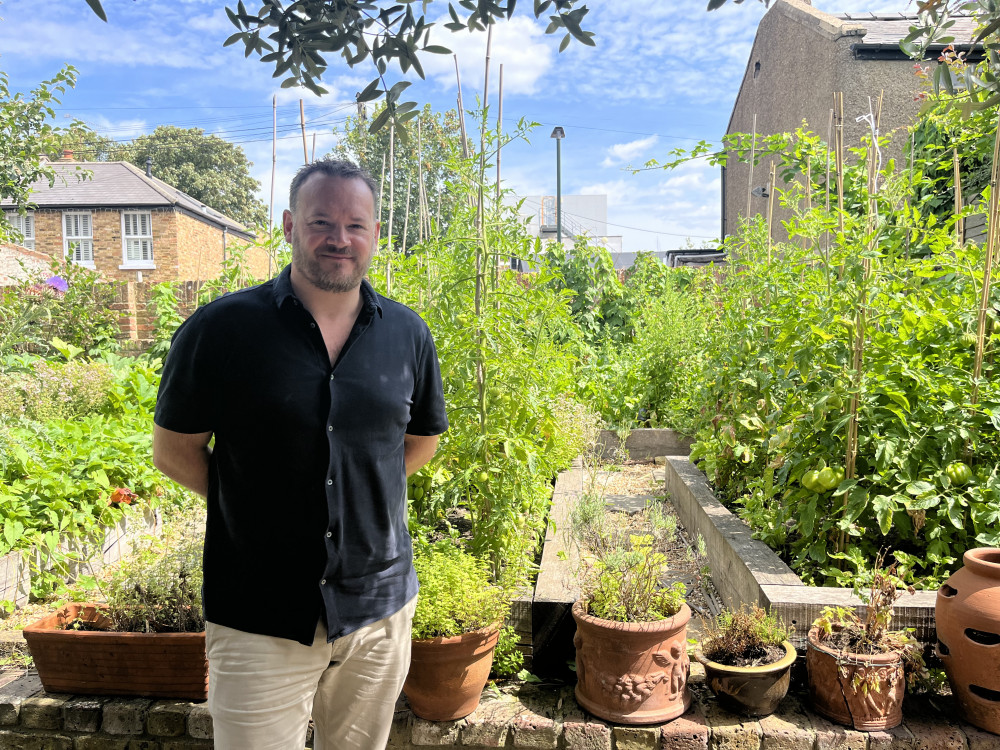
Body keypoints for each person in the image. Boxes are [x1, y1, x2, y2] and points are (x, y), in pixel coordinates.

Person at [152, 159, 448, 750]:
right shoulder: (221, 330)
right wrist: (256, 499)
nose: (339, 238)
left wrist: (352, 489)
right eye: (321, 221)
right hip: (259, 613)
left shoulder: (407, 334)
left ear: (376, 234)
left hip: (379, 611)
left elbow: (420, 441)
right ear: (289, 225)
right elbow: (175, 451)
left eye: (355, 225)